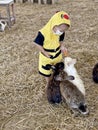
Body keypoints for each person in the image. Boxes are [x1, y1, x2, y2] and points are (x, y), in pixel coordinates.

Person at [33, 11, 71, 86]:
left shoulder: (61, 32)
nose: (62, 32)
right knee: (47, 72)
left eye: (63, 31)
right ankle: (49, 83)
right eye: (61, 30)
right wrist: (44, 52)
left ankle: (57, 80)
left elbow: (61, 39)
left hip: (57, 55)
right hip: (47, 56)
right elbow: (37, 43)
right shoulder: (43, 33)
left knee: (58, 69)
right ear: (54, 24)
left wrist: (62, 46)